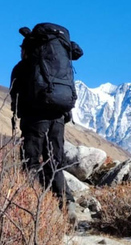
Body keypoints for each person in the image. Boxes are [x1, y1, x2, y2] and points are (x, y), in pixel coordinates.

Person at [9, 23, 82, 209]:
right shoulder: (58, 67)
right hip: (58, 117)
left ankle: (32, 206)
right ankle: (67, 205)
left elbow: (15, 98)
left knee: (31, 162)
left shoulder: (22, 68)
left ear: (27, 49)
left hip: (35, 118)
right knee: (54, 162)